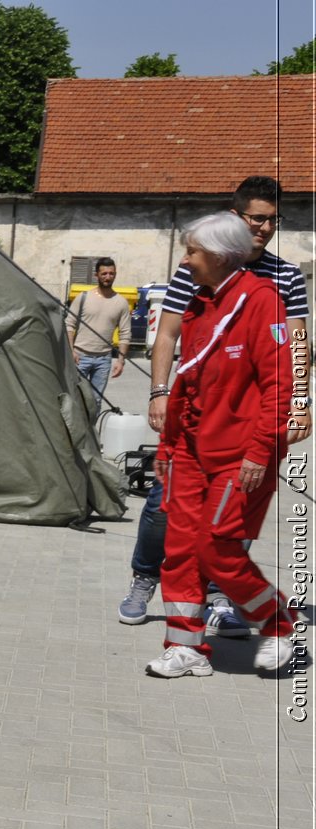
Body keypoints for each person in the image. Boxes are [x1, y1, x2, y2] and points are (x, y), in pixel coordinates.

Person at [118, 176, 309, 633]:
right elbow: (167, 333)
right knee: (164, 502)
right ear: (236, 216)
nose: (264, 227)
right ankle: (144, 577)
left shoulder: (284, 276)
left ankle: (220, 594)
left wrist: (299, 404)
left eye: (272, 220)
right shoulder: (198, 263)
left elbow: (296, 343)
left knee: (233, 510)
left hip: (245, 417)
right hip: (196, 408)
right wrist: (160, 392)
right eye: (256, 218)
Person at [145, 212, 296, 678]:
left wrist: (259, 450)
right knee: (182, 549)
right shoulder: (198, 305)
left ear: (218, 255)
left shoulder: (263, 301)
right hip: (190, 451)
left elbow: (280, 385)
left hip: (241, 456)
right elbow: (187, 384)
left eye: (192, 251)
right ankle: (184, 646)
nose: (185, 260)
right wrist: (168, 450)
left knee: (218, 550)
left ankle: (278, 622)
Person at [64, 256, 130, 406]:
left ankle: (91, 429)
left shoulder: (121, 303)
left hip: (103, 360)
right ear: (96, 275)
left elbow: (125, 333)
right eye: (104, 273)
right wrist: (71, 351)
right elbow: (69, 325)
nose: (108, 277)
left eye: (111, 273)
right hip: (79, 357)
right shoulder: (83, 298)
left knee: (95, 401)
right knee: (74, 398)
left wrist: (121, 361)